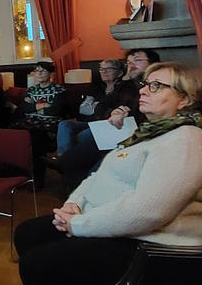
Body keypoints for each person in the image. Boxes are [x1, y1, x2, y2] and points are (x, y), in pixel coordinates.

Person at [14, 62, 202, 285]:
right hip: (103, 217)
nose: (142, 90)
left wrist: (77, 224)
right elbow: (99, 176)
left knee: (36, 263)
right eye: (145, 84)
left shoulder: (185, 140)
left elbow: (145, 213)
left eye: (156, 86)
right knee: (27, 233)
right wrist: (72, 204)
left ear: (185, 99)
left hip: (145, 243)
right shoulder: (149, 132)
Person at [59, 49, 160, 190]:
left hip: (133, 138)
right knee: (67, 159)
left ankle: (86, 197)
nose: (131, 65)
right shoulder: (125, 86)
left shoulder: (157, 88)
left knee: (93, 171)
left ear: (153, 64)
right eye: (129, 62)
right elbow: (100, 107)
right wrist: (113, 112)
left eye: (137, 61)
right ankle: (75, 199)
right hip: (113, 131)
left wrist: (125, 114)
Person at [55, 59, 128, 156]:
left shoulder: (123, 89)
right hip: (90, 123)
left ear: (119, 73)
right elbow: (84, 109)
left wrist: (97, 106)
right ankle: (63, 158)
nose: (104, 72)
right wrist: (101, 108)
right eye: (102, 69)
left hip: (109, 124)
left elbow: (118, 110)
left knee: (79, 137)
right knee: (64, 124)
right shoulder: (96, 89)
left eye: (109, 69)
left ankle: (68, 160)